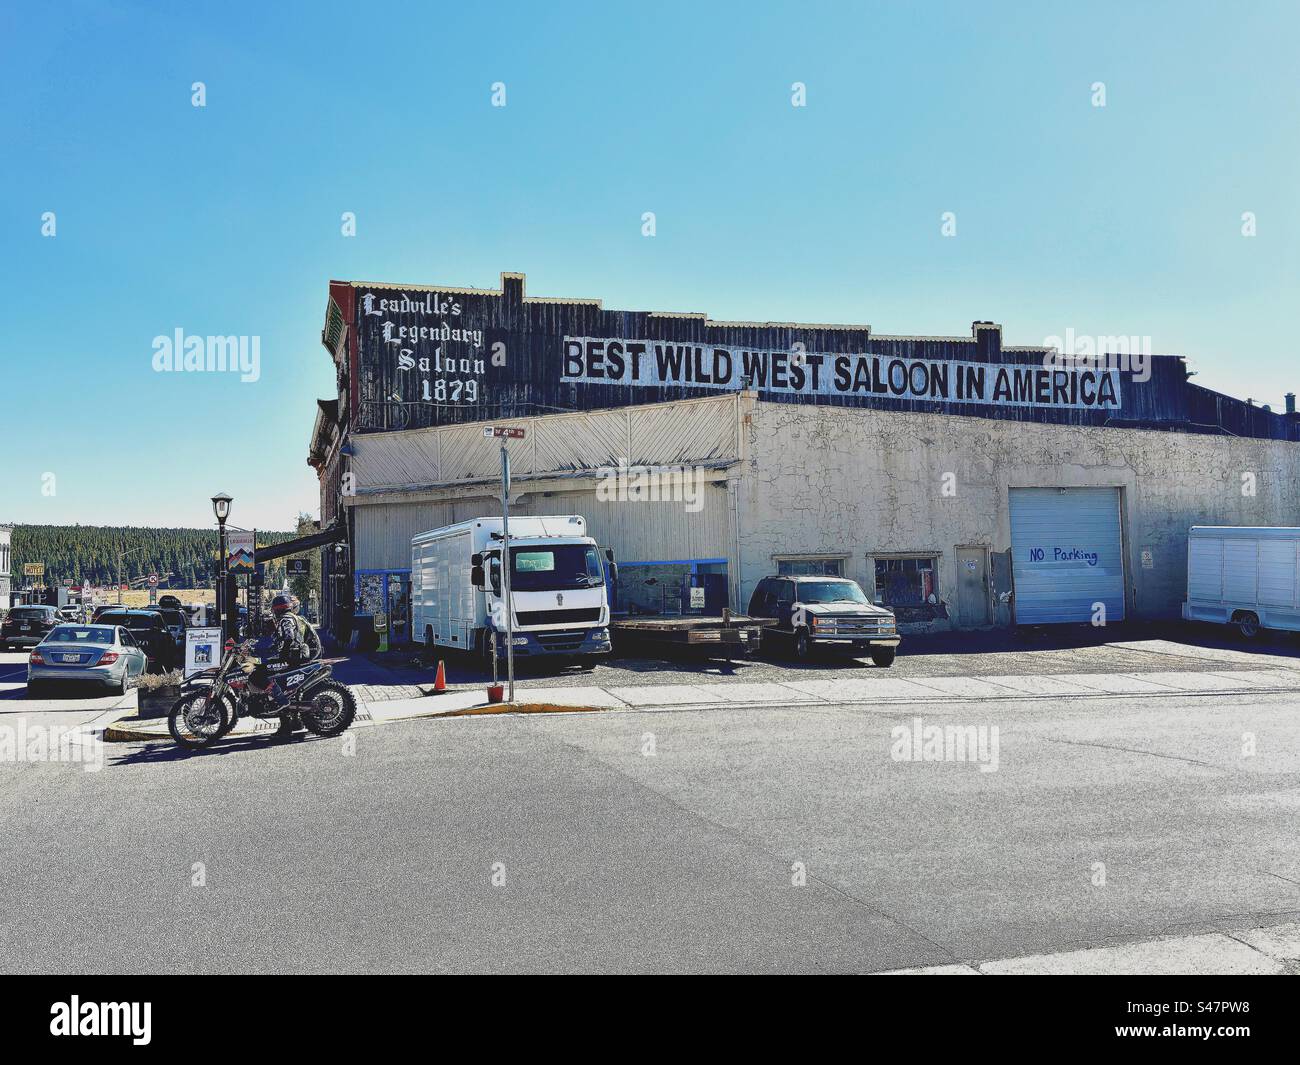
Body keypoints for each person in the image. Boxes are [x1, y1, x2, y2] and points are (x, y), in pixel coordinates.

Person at [248, 594, 321, 710]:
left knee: (256, 673)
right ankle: (292, 719)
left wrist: (282, 655)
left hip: (294, 656)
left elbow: (289, 637)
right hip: (300, 654)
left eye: (273, 609)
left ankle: (280, 699)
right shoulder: (292, 617)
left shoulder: (286, 619)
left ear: (277, 609)